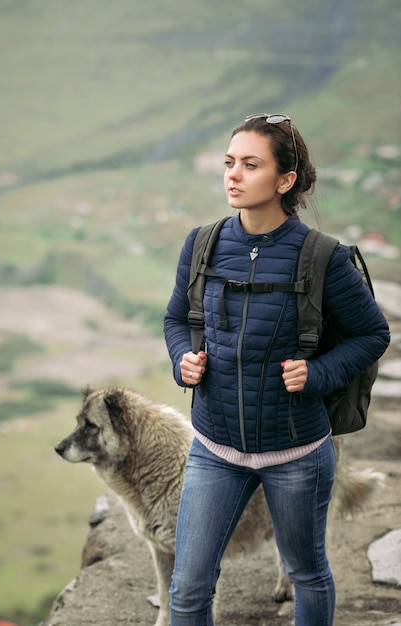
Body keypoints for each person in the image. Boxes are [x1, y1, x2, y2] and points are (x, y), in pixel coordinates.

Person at [163, 113, 390, 626]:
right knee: (189, 587)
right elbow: (177, 318)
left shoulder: (323, 257)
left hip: (296, 453)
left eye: (250, 164)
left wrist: (319, 374)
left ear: (284, 181)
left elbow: (372, 334)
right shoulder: (202, 244)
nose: (233, 175)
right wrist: (184, 361)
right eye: (228, 163)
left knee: (306, 573)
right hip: (215, 448)